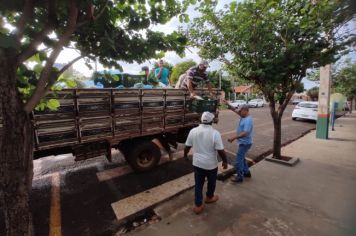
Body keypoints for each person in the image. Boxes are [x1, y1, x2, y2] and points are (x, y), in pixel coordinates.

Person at [184, 112, 228, 214]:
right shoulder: (215, 133)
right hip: (210, 165)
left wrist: (185, 155)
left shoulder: (193, 131)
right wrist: (225, 161)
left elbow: (187, 146)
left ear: (201, 120)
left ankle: (198, 205)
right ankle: (209, 197)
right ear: (211, 121)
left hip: (198, 163)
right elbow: (220, 150)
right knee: (211, 182)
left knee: (198, 184)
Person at [226, 104, 253, 183]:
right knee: (242, 158)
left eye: (241, 111)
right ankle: (247, 173)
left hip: (245, 143)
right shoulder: (244, 116)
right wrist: (229, 105)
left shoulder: (248, 120)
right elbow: (236, 111)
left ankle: (239, 177)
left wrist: (233, 138)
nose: (239, 112)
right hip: (244, 142)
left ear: (246, 111)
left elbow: (245, 133)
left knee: (238, 160)